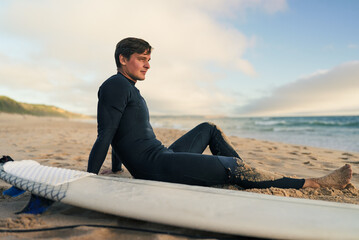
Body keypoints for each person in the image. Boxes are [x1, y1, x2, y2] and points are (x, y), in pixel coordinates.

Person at [87, 37, 352, 189]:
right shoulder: (114, 85)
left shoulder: (126, 87)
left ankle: (244, 174)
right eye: (142, 59)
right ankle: (314, 183)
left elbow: (120, 130)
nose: (147, 66)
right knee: (232, 167)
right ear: (123, 59)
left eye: (149, 60)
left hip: (162, 155)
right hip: (155, 166)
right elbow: (106, 132)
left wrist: (116, 168)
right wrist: (88, 177)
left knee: (208, 128)